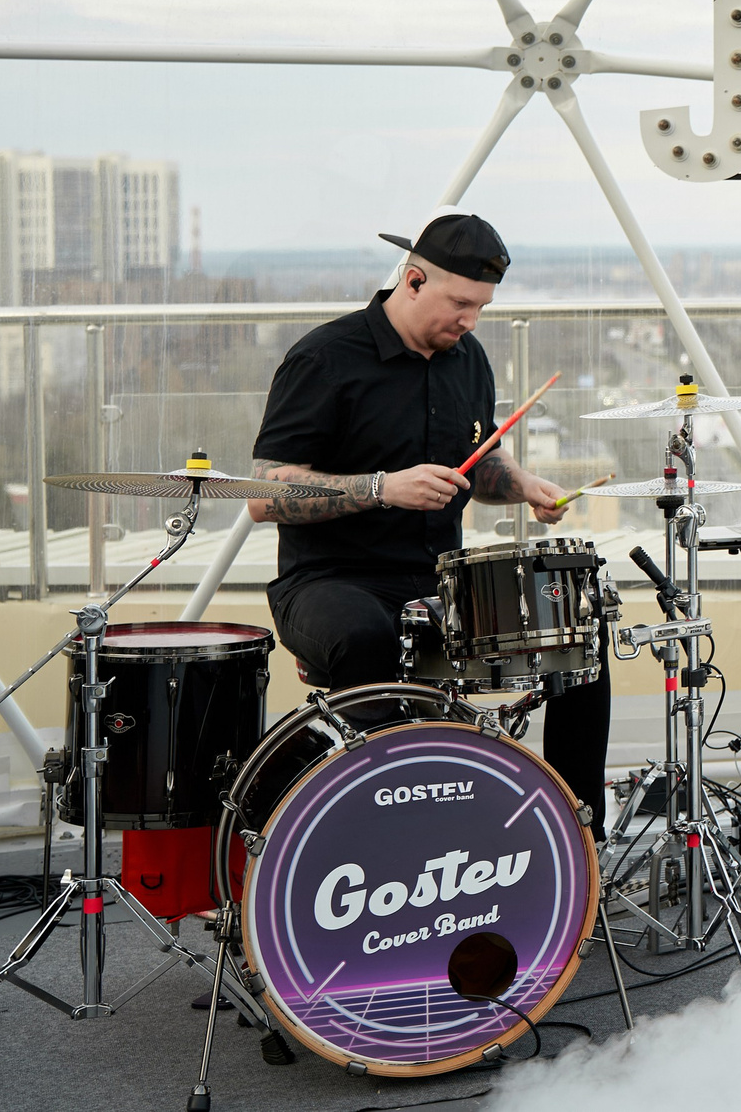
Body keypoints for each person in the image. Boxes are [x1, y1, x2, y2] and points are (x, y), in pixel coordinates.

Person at [247, 212, 609, 835]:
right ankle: (389, 841)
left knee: (578, 625)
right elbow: (263, 493)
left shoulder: (466, 359)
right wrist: (383, 489)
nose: (471, 321)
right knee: (367, 639)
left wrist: (522, 487)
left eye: (481, 307)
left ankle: (576, 836)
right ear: (413, 281)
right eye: (461, 303)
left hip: (437, 582)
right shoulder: (324, 357)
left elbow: (480, 458)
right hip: (328, 581)